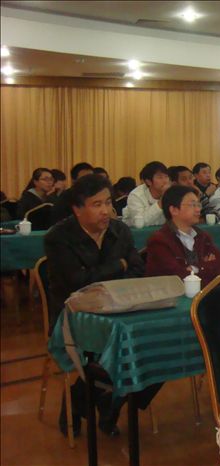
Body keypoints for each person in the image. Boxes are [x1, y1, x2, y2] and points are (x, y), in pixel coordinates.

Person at [45, 174, 146, 438]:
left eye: (108, 203)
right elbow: (77, 282)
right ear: (77, 209)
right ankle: (101, 399)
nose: (106, 211)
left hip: (119, 309)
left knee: (151, 346)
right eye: (96, 204)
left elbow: (137, 269)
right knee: (123, 348)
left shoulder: (119, 230)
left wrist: (109, 275)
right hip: (74, 317)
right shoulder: (59, 237)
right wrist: (118, 266)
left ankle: (96, 399)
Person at [145, 185, 220, 286]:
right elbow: (178, 278)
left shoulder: (202, 236)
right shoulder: (159, 241)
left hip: (209, 291)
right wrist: (208, 265)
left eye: (198, 204)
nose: (198, 209)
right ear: (174, 210)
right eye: (193, 205)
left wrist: (195, 268)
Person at [123, 161, 171, 227]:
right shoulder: (136, 195)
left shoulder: (171, 192)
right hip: (136, 232)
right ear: (148, 182)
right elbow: (139, 224)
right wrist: (161, 201)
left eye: (166, 176)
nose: (165, 181)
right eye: (160, 177)